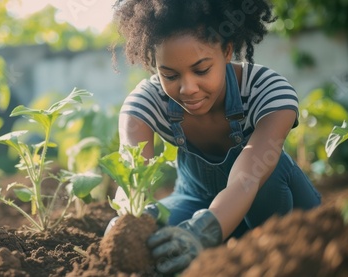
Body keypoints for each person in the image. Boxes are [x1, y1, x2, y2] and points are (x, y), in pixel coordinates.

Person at [109, 0, 322, 275]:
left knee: (268, 176)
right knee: (150, 240)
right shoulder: (144, 106)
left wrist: (204, 232)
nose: (188, 88)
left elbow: (249, 179)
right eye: (170, 75)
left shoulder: (268, 91)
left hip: (276, 206)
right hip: (196, 199)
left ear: (227, 51)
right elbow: (132, 181)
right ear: (154, 64)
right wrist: (132, 222)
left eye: (201, 70)